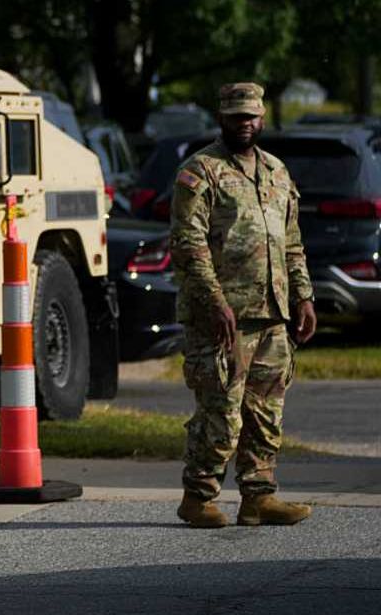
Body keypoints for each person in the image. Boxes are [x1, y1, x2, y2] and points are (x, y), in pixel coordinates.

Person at [170, 82, 317, 528]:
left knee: (266, 414)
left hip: (273, 315)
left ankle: (259, 497)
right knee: (222, 417)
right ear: (222, 118)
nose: (244, 123)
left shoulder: (276, 171)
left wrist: (304, 296)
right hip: (222, 320)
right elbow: (188, 243)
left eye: (251, 115)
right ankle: (197, 497)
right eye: (236, 116)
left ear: (262, 117)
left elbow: (291, 243)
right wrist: (215, 302)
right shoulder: (201, 171)